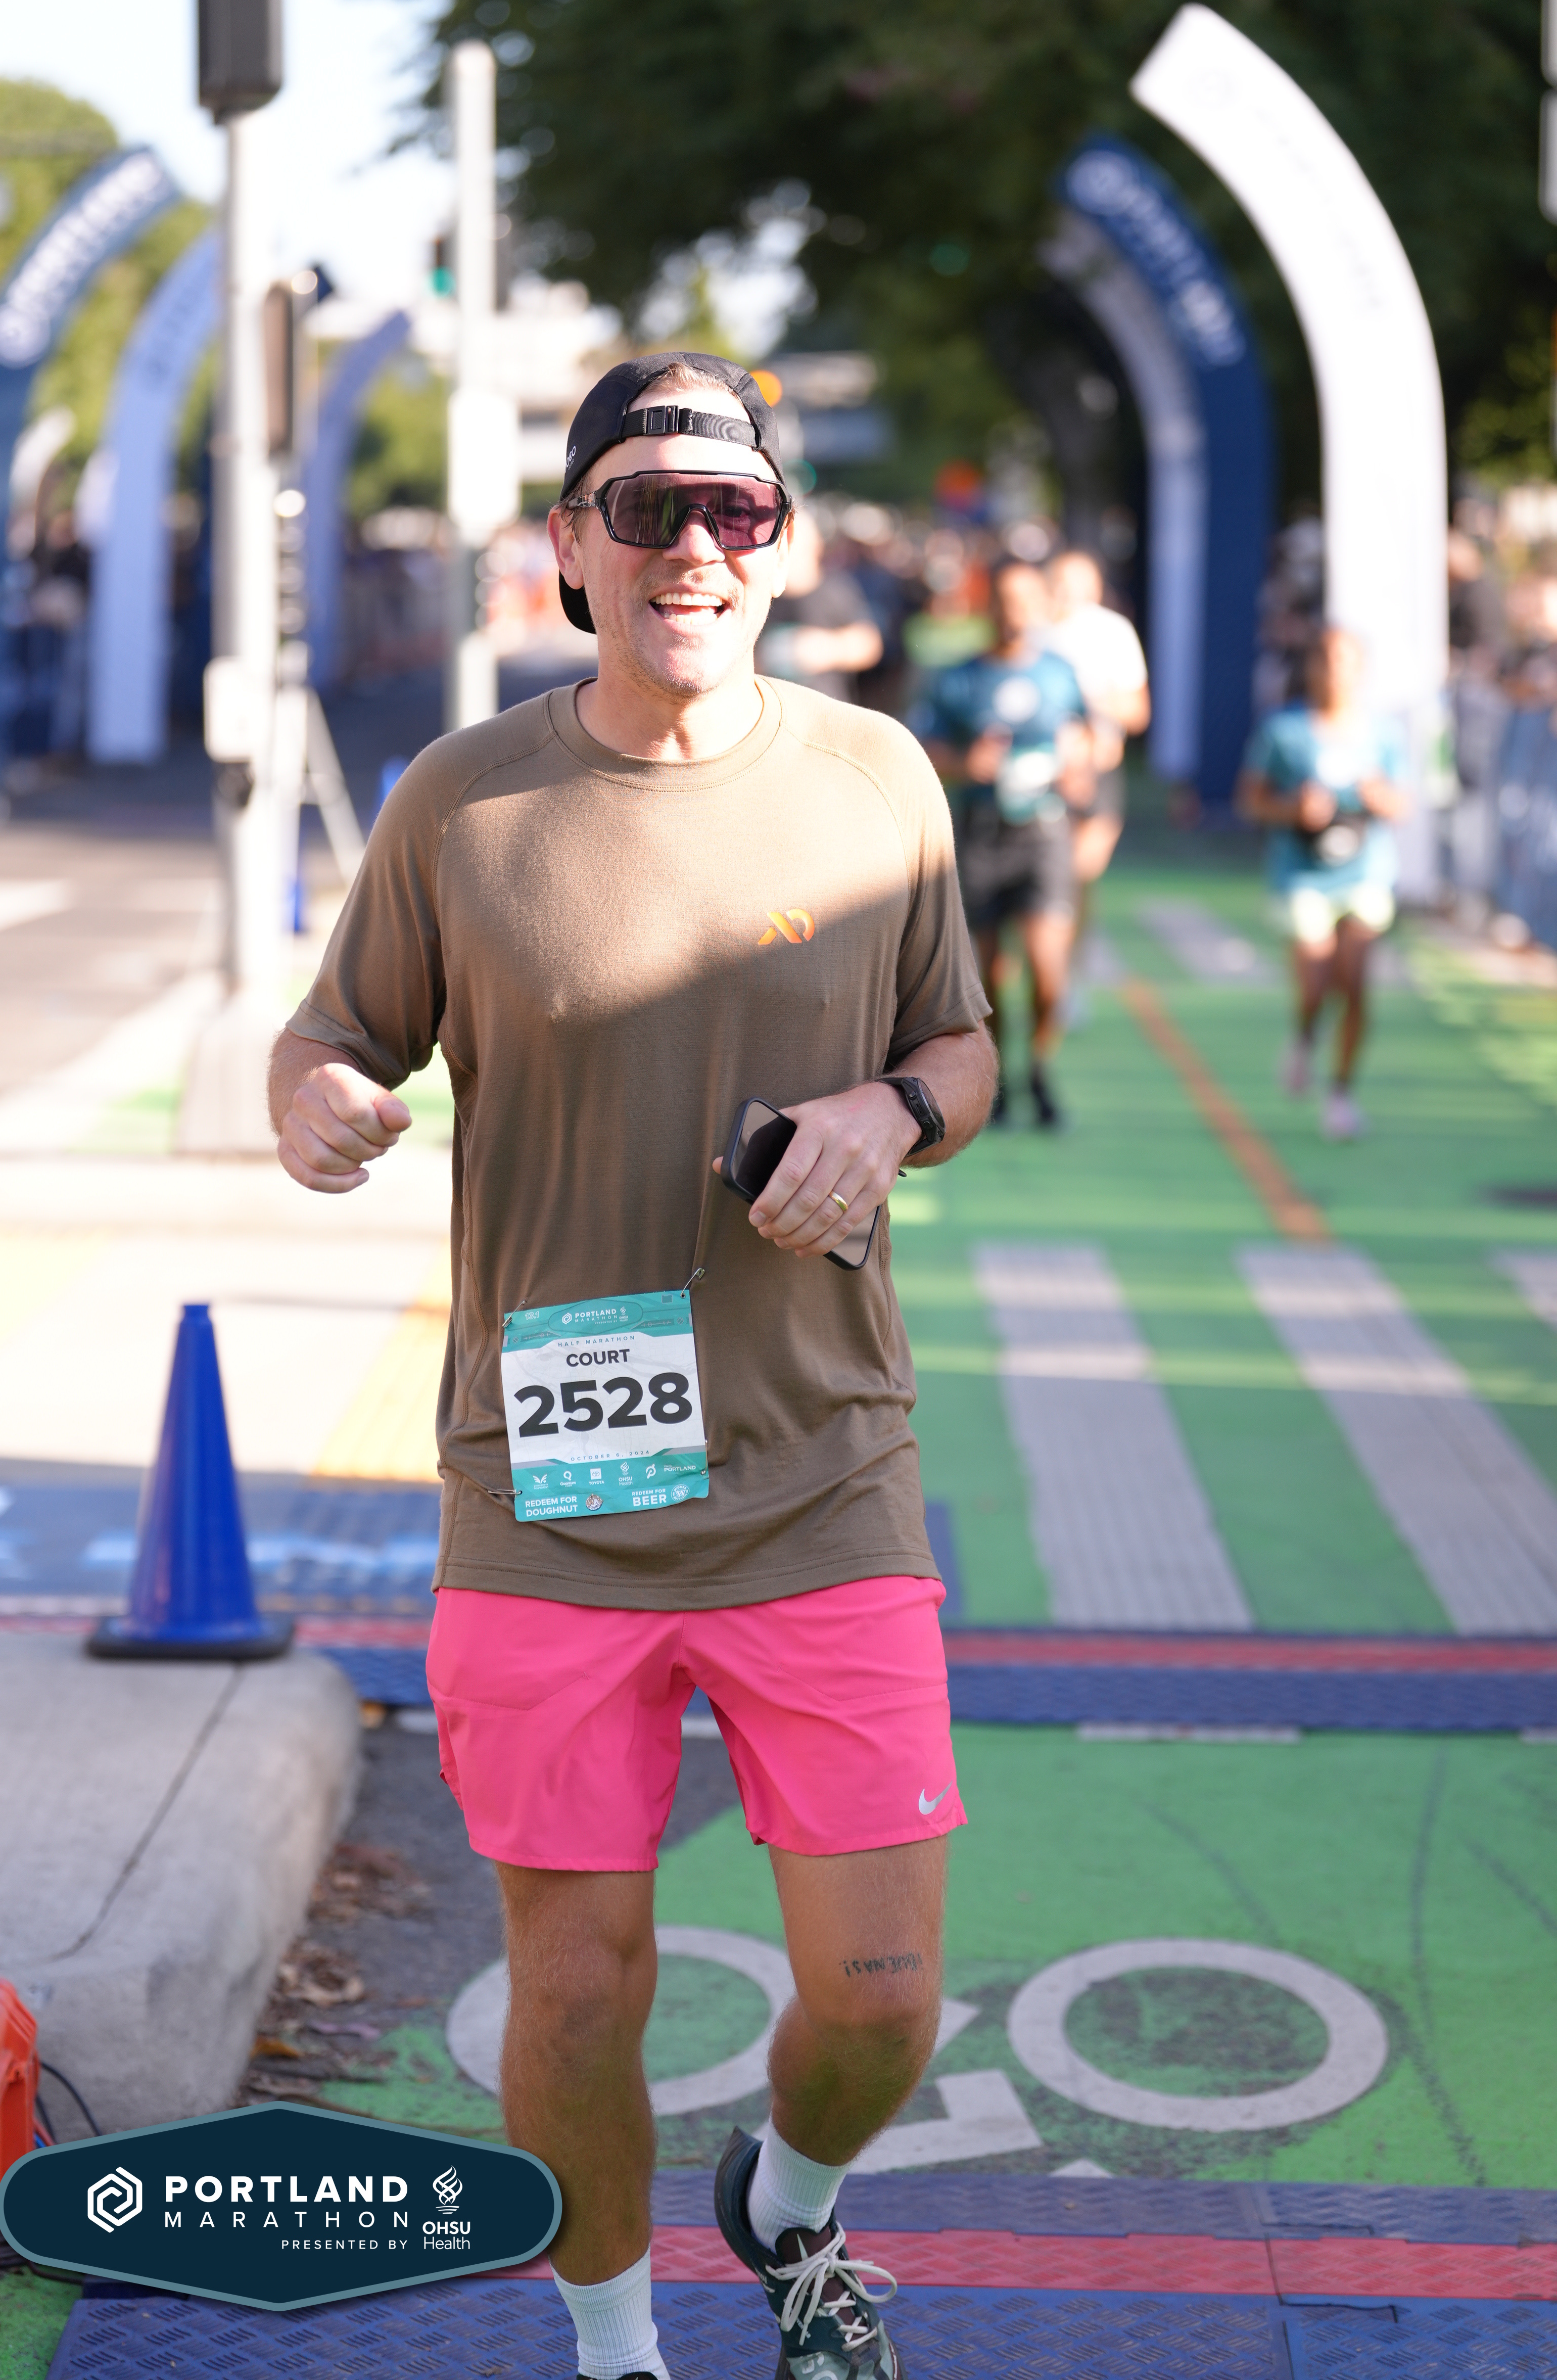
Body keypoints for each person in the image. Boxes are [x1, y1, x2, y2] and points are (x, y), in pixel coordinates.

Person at [269, 350, 995, 2380]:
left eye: (732, 510)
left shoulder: (875, 780)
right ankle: (616, 2348)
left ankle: (790, 2198)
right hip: (551, 1487)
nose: (694, 546)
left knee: (880, 1994)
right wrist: (316, 1098)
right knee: (575, 1992)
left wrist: (892, 1117)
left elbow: (959, 1045)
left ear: (782, 546)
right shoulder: (462, 800)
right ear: (570, 545)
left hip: (820, 1470)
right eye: (647, 508)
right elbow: (333, 1035)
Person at [914, 555, 1094, 1128]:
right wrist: (966, 764)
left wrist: (1078, 771)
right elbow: (922, 750)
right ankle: (1000, 1081)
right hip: (983, 835)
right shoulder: (959, 678)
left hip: (1044, 832)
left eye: (1025, 601)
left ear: (1042, 606)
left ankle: (1039, 1067)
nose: (1015, 613)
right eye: (1005, 601)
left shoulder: (1061, 674)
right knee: (990, 978)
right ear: (987, 604)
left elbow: (1090, 744)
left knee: (1048, 969)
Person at [1235, 624, 1410, 1140]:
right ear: (1311, 668)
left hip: (1365, 872)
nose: (1336, 673)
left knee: (1354, 982)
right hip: (1303, 874)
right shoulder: (1284, 731)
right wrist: (1295, 809)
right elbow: (1252, 799)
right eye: (1326, 661)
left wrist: (1378, 798)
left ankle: (1341, 1091)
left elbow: (1402, 803)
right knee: (1315, 984)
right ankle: (1306, 1035)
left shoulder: (1382, 734)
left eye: (1346, 662)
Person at [1041, 548, 1150, 917]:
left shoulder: (1114, 632)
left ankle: (1071, 949)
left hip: (1100, 766)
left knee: (1081, 871)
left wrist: (1092, 700)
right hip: (1048, 768)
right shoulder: (1034, 632)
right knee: (1048, 874)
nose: (1071, 592)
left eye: (1081, 583)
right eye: (1063, 582)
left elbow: (1138, 712)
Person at [755, 504, 884, 698]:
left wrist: (825, 648)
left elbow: (870, 644)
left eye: (797, 546)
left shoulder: (835, 590)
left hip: (829, 705)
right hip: (772, 706)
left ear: (816, 547)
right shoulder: (763, 594)